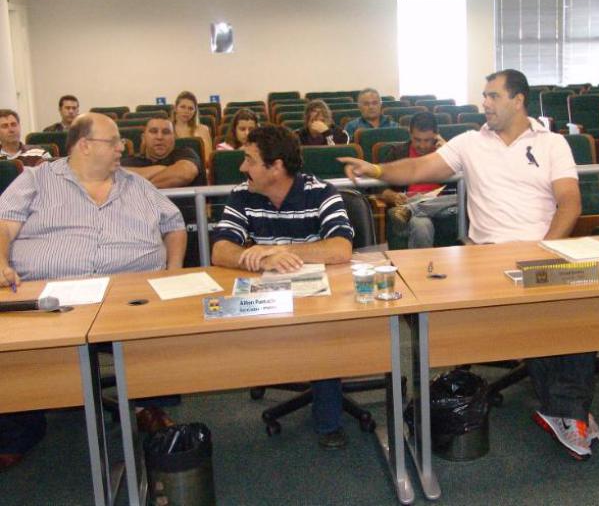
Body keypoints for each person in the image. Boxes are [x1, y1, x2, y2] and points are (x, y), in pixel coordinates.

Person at [341, 69, 599, 461]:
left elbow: (570, 202)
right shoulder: (469, 143)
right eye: (484, 96)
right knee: (539, 319)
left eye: (493, 96)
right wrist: (376, 171)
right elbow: (417, 169)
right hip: (489, 256)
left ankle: (566, 408)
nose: (485, 103)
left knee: (583, 309)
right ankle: (567, 409)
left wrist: (546, 249)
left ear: (518, 100)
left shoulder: (552, 144)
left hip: (546, 251)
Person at [0, 112, 187, 470]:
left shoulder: (136, 184)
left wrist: (173, 272)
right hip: (51, 294)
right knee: (14, 348)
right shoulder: (37, 180)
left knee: (158, 328)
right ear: (84, 145)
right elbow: (4, 225)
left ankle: (148, 404)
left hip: (127, 292)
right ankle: (19, 427)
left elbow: (174, 225)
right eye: (113, 141)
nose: (122, 148)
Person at [211, 124, 354, 449]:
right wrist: (261, 259)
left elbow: (340, 249)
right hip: (269, 295)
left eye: (249, 160)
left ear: (275, 167)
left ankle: (328, 422)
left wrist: (279, 251)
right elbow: (220, 250)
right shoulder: (242, 194)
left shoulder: (322, 192)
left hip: (319, 298)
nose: (242, 167)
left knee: (321, 334)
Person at [123, 117, 207, 266]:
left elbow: (184, 173)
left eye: (166, 132)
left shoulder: (186, 153)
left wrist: (137, 185)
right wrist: (161, 169)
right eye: (153, 131)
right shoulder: (128, 162)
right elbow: (115, 176)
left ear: (174, 137)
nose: (159, 137)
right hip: (138, 235)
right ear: (143, 137)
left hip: (188, 232)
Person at [379, 111, 456, 248]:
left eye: (427, 140)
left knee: (466, 198)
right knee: (422, 226)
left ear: (436, 136)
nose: (422, 145)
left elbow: (467, 179)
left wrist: (449, 152)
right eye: (417, 140)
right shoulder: (397, 153)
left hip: (443, 204)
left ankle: (412, 208)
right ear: (410, 135)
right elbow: (378, 185)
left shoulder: (446, 152)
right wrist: (391, 195)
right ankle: (413, 208)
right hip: (409, 202)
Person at [171, 90, 213, 163]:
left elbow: (208, 158)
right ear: (175, 108)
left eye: (190, 108)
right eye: (183, 107)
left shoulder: (203, 129)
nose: (186, 111)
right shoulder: (167, 129)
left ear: (195, 111)